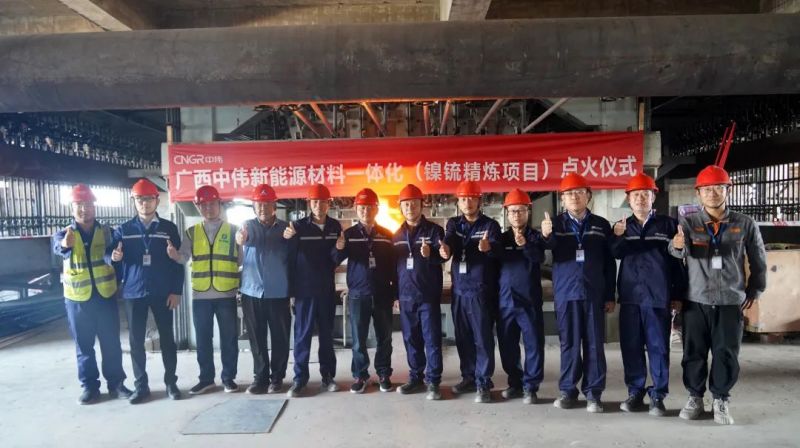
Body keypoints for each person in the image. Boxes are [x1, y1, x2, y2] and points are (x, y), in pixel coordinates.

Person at [669, 165, 767, 425]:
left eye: (718, 188)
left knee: (726, 353)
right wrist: (676, 246)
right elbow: (677, 252)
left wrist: (755, 290)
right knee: (693, 352)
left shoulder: (745, 224)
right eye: (707, 189)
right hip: (696, 300)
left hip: (729, 301)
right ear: (698, 193)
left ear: (727, 191)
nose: (712, 193)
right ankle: (695, 397)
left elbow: (758, 260)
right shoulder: (689, 223)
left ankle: (721, 399)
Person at [610, 173, 686, 416]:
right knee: (631, 346)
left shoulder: (668, 225)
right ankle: (635, 392)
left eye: (645, 194)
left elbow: (677, 262)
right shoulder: (622, 225)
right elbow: (615, 254)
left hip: (658, 296)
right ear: (628, 199)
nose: (640, 199)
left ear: (653, 197)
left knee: (658, 347)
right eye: (636, 195)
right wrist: (617, 236)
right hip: (630, 296)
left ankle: (658, 396)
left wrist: (678, 294)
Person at [52, 183, 132, 405]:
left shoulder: (108, 233)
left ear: (94, 207)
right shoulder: (63, 234)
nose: (84, 209)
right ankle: (90, 387)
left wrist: (115, 258)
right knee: (84, 346)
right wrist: (65, 245)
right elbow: (59, 248)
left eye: (87, 204)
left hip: (105, 297)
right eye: (79, 205)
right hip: (77, 300)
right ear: (72, 208)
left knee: (111, 343)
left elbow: (113, 256)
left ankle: (116, 384)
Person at [544, 173, 616, 413]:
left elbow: (609, 262)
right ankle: (568, 390)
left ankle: (594, 394)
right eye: (569, 194)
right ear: (562, 199)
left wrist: (609, 295)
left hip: (594, 293)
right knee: (569, 344)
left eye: (579, 192)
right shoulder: (554, 224)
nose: (574, 197)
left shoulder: (601, 225)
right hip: (566, 293)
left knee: (594, 344)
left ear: (588, 196)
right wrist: (546, 235)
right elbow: (545, 249)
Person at [112, 179, 184, 404]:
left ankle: (171, 382)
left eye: (149, 199)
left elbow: (177, 262)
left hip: (163, 292)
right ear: (134, 201)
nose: (145, 203)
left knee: (167, 339)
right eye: (140, 199)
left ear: (157, 200)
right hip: (134, 292)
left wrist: (176, 291)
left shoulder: (168, 229)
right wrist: (113, 258)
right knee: (136, 342)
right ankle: (141, 386)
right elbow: (111, 257)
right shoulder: (124, 230)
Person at [170, 185, 241, 395]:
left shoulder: (234, 231)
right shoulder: (192, 232)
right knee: (203, 340)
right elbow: (183, 257)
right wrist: (174, 255)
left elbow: (241, 260)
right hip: (201, 296)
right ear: (198, 207)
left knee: (229, 339)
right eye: (204, 205)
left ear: (219, 204)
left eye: (212, 204)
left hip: (226, 294)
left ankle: (228, 378)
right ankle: (206, 379)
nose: (208, 208)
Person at [441, 180, 501, 403]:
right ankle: (469, 377)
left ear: (479, 201)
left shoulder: (490, 225)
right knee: (463, 337)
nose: (467, 203)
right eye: (463, 199)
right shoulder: (454, 224)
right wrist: (445, 249)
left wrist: (489, 248)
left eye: (472, 198)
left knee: (482, 338)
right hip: (459, 291)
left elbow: (498, 252)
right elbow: (449, 240)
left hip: (480, 291)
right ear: (458, 202)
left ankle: (483, 382)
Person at [333, 188, 396, 394]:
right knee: (359, 339)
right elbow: (335, 260)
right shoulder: (348, 235)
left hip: (382, 294)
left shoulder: (386, 235)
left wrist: (395, 293)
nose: (366, 211)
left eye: (369, 207)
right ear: (356, 209)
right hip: (358, 295)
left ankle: (384, 374)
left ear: (376, 209)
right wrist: (339, 248)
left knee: (384, 337)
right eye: (362, 207)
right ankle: (360, 375)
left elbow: (393, 266)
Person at [282, 184, 343, 396]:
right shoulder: (298, 227)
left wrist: (339, 249)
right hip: (304, 291)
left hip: (326, 290)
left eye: (323, 202)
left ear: (329, 204)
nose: (319, 205)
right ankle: (300, 380)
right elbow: (289, 259)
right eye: (315, 202)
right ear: (309, 204)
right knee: (302, 336)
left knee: (327, 336)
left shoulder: (335, 226)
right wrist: (291, 292)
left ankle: (328, 377)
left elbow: (335, 260)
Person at [236, 184, 297, 395]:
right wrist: (239, 241)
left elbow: (295, 258)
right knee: (257, 337)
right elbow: (239, 248)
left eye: (267, 204)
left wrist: (292, 240)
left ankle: (277, 378)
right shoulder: (246, 227)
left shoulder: (286, 228)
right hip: (252, 291)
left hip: (278, 292)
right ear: (254, 206)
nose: (263, 208)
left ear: (274, 206)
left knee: (280, 336)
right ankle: (260, 378)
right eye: (259, 204)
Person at [391, 184, 446, 401]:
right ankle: (416, 377)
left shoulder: (434, 231)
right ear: (401, 208)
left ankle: (433, 381)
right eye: (406, 205)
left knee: (431, 339)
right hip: (406, 296)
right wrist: (395, 295)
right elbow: (394, 268)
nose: (410, 208)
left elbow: (443, 257)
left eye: (414, 204)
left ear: (422, 205)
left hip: (428, 295)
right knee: (411, 339)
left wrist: (431, 253)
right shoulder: (396, 235)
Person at [495, 188, 547, 405]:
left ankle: (531, 387)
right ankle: (515, 382)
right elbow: (492, 263)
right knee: (508, 345)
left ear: (528, 212)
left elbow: (539, 258)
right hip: (505, 300)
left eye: (521, 211)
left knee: (533, 344)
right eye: (513, 211)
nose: (517, 215)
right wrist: (486, 249)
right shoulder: (501, 238)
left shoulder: (535, 237)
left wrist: (525, 245)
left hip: (529, 301)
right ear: (507, 213)